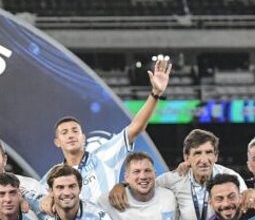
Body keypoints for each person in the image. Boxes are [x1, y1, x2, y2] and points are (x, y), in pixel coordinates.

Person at [47, 55, 171, 202]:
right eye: (64, 132)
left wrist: (155, 93)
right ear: (57, 142)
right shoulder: (53, 175)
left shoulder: (104, 155)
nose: (71, 135)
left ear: (83, 138)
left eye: (75, 131)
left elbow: (135, 128)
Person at [155, 129, 247, 220]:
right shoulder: (176, 179)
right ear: (186, 158)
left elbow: (246, 205)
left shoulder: (230, 178)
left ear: (216, 156)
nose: (204, 160)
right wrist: (123, 186)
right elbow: (144, 187)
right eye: (197, 153)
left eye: (209, 152)